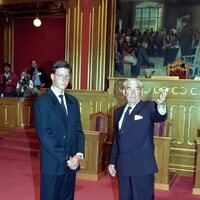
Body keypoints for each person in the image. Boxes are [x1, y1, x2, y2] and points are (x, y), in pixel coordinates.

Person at [108, 78, 169, 200]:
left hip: (142, 166)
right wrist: (112, 161)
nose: (133, 92)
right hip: (123, 165)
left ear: (141, 92)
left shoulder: (149, 106)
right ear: (124, 92)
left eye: (137, 89)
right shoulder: (118, 111)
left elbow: (159, 116)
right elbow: (117, 139)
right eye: (129, 89)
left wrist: (161, 105)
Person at [33, 60, 85, 200]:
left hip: (72, 164)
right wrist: (66, 157)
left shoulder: (73, 101)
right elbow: (45, 135)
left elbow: (78, 131)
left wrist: (79, 155)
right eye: (60, 75)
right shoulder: (42, 102)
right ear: (52, 76)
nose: (64, 79)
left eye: (67, 76)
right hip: (53, 163)